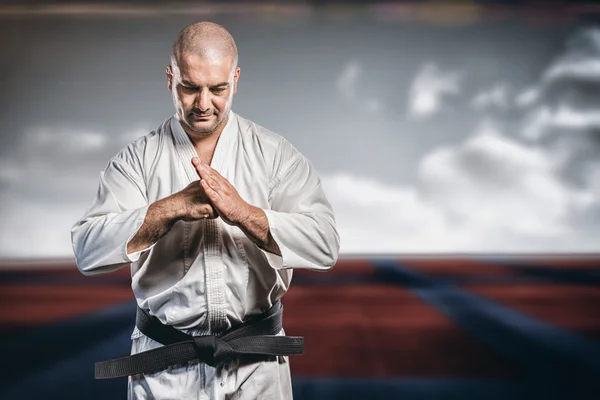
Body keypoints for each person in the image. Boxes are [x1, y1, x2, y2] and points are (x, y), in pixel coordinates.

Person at [70, 21, 340, 399]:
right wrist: (168, 210)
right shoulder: (136, 162)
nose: (203, 103)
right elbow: (86, 250)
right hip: (164, 368)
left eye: (217, 89)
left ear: (236, 79)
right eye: (189, 87)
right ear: (170, 79)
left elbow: (325, 244)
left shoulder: (275, 156)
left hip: (256, 367)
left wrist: (246, 214)